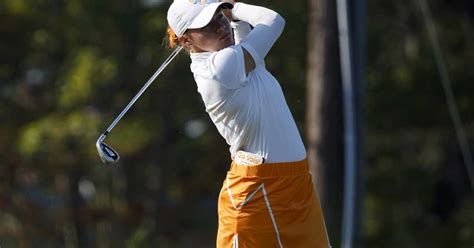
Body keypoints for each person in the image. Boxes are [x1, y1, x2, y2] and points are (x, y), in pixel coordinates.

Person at [166, 0, 331, 247]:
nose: (219, 27)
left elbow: (242, 32)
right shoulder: (220, 68)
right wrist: (235, 7)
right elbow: (274, 20)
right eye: (207, 26)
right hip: (257, 194)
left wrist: (233, 17)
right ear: (186, 41)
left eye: (219, 17)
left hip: (297, 186)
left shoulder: (235, 58)